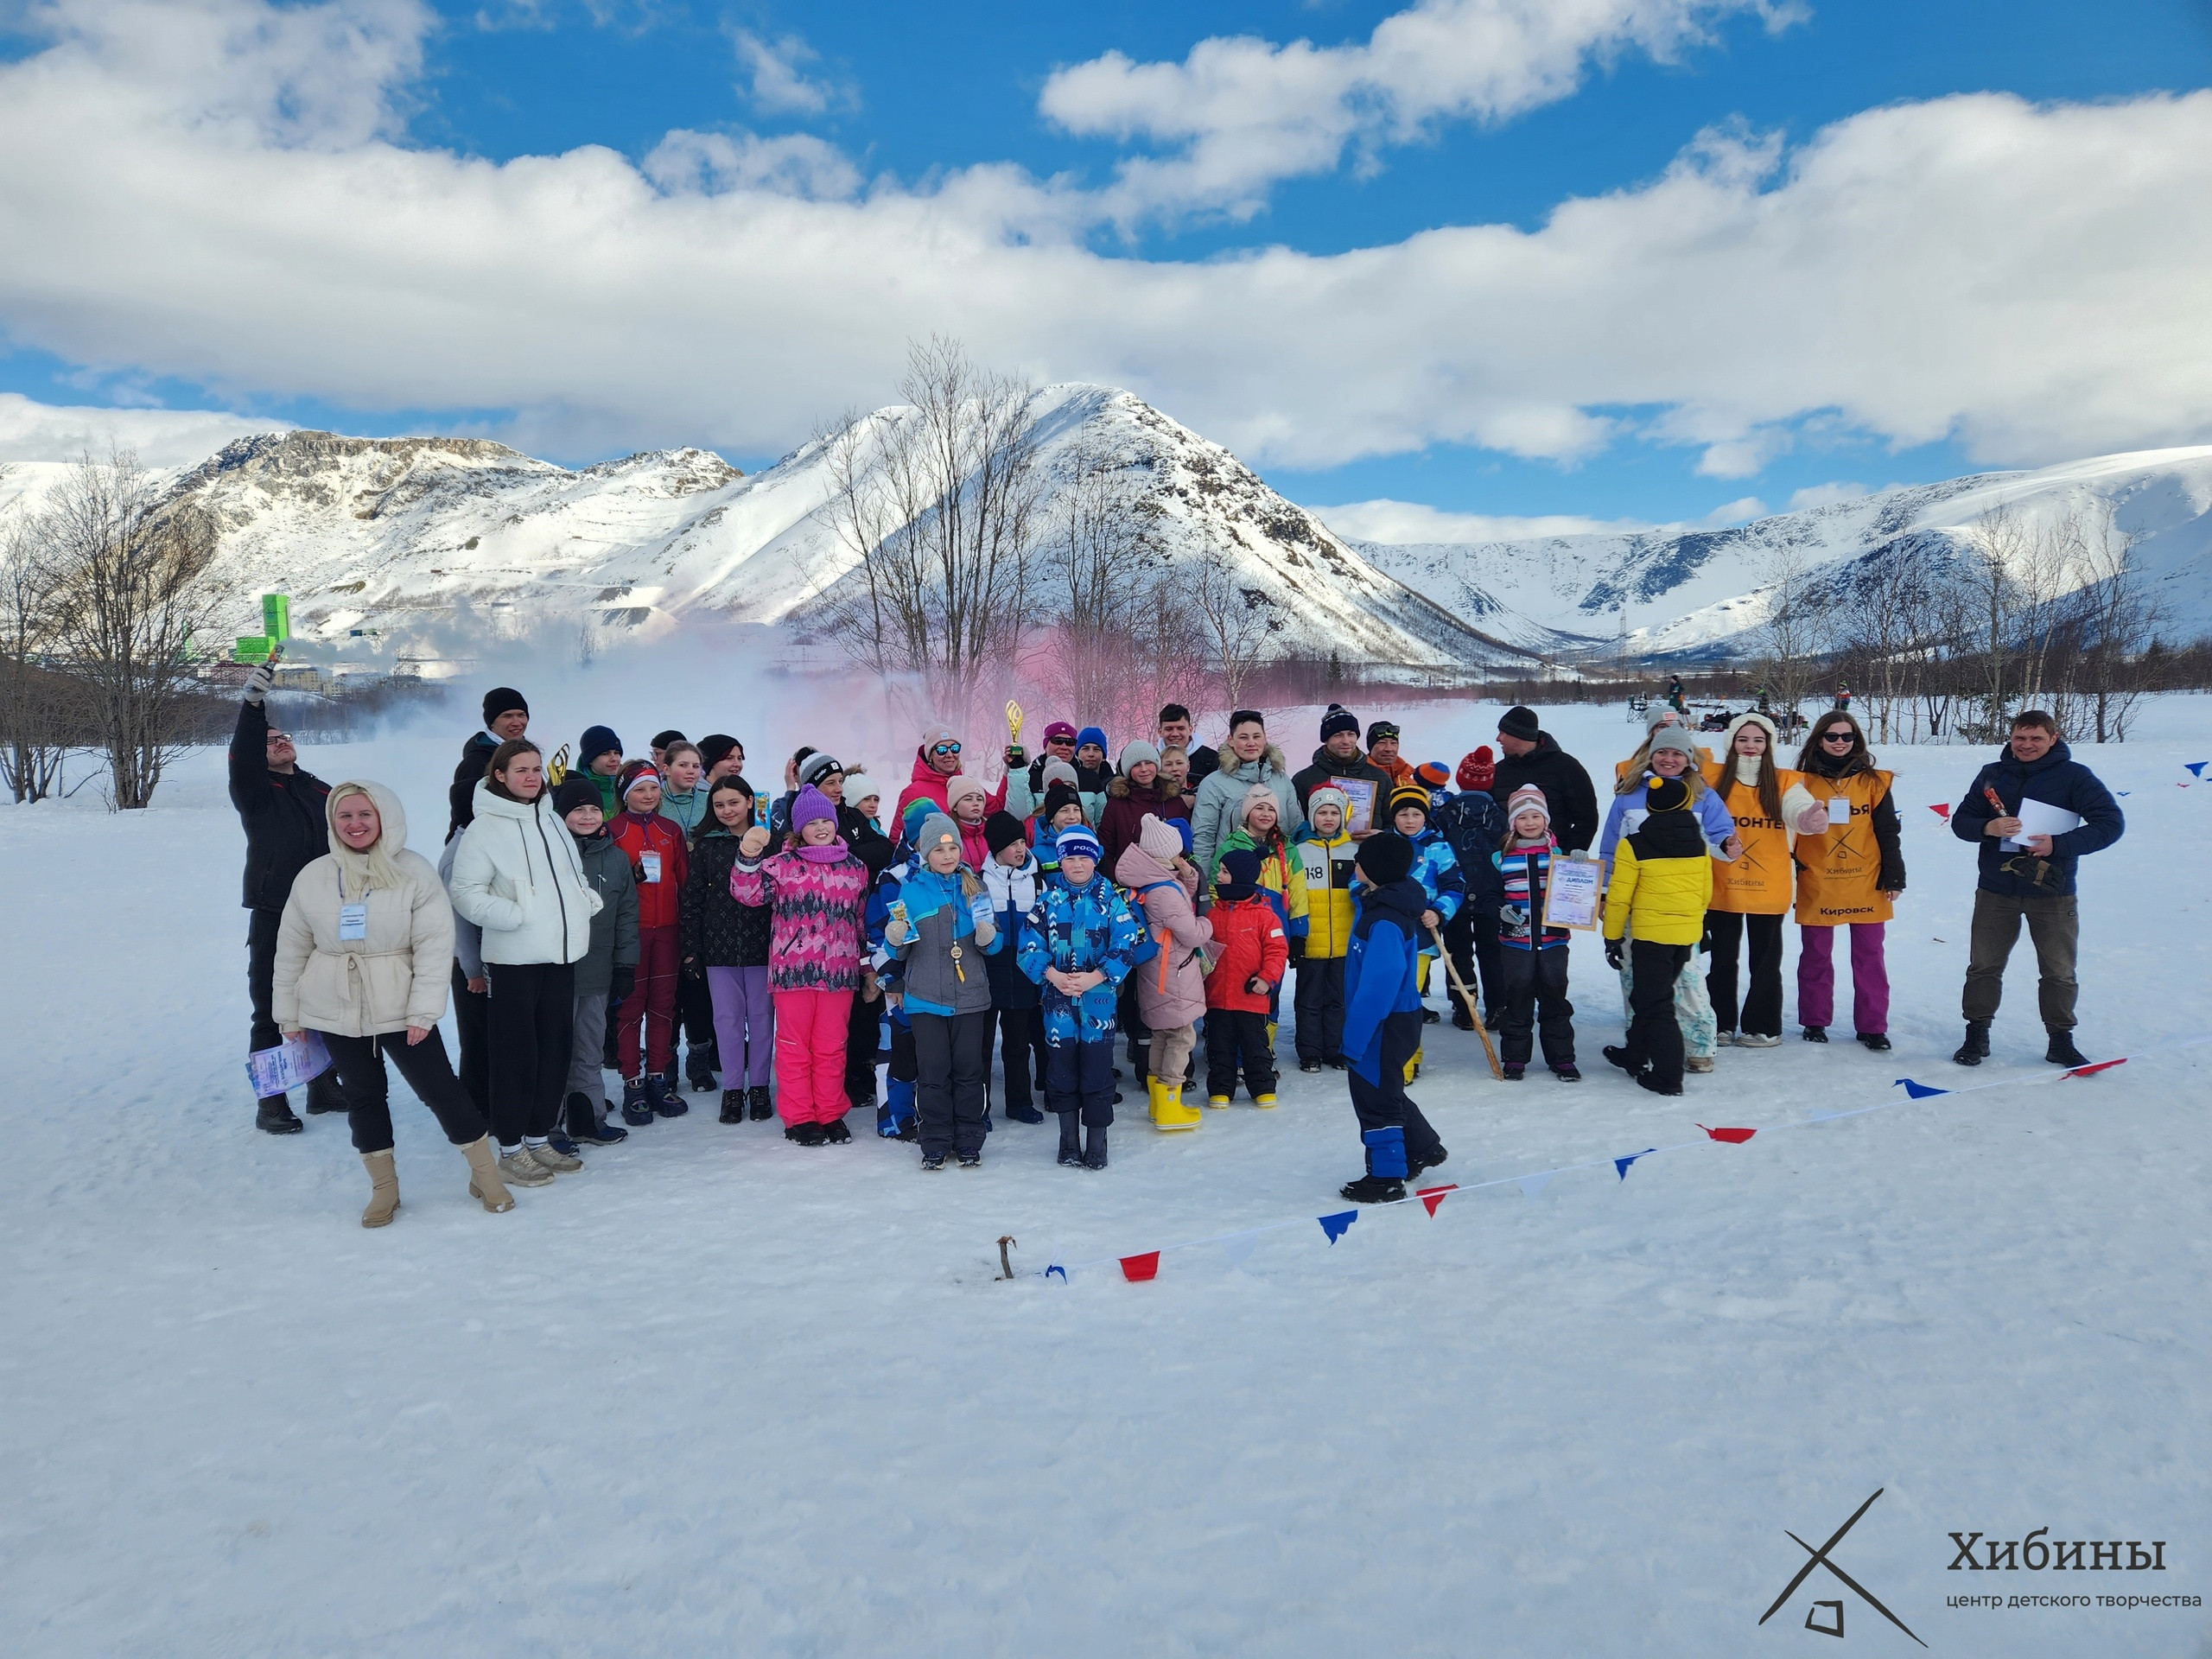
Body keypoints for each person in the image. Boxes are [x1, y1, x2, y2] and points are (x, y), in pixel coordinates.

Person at [270, 780, 514, 1224]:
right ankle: (384, 1189)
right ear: (332, 822)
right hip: (335, 1005)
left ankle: (485, 1174)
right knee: (364, 1096)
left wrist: (423, 1010)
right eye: (344, 816)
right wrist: (288, 1014)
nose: (355, 824)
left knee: (441, 1091)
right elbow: (291, 948)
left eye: (365, 814)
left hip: (400, 1004)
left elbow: (434, 945)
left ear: (385, 817)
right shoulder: (314, 875)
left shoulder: (413, 871)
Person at [448, 739, 603, 1189]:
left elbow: (571, 875)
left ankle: (538, 1138)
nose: (532, 777)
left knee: (556, 1048)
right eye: (521, 770)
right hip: (516, 960)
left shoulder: (552, 820)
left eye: (537, 769)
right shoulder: (484, 829)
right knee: (518, 1054)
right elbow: (465, 893)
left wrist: (583, 901)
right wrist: (514, 916)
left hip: (561, 954)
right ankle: (512, 1148)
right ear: (500, 775)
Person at [1948, 710, 2124, 1067]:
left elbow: (2110, 823)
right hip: (1996, 888)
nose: (2026, 745)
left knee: (2059, 970)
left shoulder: (2075, 777)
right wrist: (1988, 828)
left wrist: (2057, 845)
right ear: (2010, 738)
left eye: (2036, 739)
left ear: (2053, 739)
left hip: (2052, 892)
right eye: (2019, 738)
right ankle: (1976, 1034)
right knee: (1983, 966)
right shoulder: (1992, 775)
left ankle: (2060, 1039)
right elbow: (1961, 822)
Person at [728, 785, 872, 1144]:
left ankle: (830, 1113)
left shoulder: (856, 868)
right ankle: (799, 1117)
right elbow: (747, 894)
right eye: (812, 822)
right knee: (795, 1047)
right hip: (794, 973)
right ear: (798, 828)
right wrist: (748, 854)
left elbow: (859, 923)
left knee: (832, 1047)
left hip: (840, 973)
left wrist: (867, 969)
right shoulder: (781, 865)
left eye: (826, 819)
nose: (821, 827)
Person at [229, 660, 337, 1133]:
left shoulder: (319, 790)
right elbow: (245, 753)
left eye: (284, 737)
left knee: (326, 1000)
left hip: (324, 913)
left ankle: (324, 1087)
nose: (281, 742)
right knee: (273, 1007)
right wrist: (254, 709)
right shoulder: (256, 790)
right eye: (270, 741)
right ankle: (271, 1101)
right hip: (276, 913)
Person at [1599, 727, 1737, 1076]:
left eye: (1677, 754)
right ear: (1650, 754)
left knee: (1687, 980)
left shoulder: (1703, 796)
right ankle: (1640, 1047)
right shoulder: (1628, 795)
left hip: (1679, 909)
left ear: (1689, 759)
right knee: (1636, 980)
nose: (1669, 759)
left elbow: (1720, 839)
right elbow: (1612, 848)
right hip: (1636, 906)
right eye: (1663, 753)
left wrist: (1729, 846)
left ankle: (1699, 1045)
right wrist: (1606, 892)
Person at [1016, 825, 1144, 1171]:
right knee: (1061, 1072)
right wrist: (1052, 974)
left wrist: (1096, 977)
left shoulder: (1111, 900)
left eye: (1083, 857)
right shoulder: (1047, 903)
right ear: (1060, 862)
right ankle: (1068, 1140)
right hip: (1057, 1006)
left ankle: (1097, 1142)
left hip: (1097, 1004)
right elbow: (1027, 948)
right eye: (1069, 857)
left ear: (1095, 859)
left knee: (1097, 1073)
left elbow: (1127, 942)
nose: (1077, 864)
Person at [884, 813, 1001, 1168]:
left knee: (969, 1072)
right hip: (925, 999)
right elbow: (900, 950)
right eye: (938, 849)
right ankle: (934, 1139)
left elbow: (992, 947)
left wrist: (989, 937)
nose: (947, 855)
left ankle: (968, 1138)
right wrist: (894, 939)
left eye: (952, 847)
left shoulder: (975, 886)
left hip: (970, 999)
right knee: (933, 1072)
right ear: (925, 853)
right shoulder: (911, 890)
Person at [1337, 831, 1448, 1205]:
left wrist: (1354, 1037)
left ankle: (1385, 1177)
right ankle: (1422, 1147)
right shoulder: (1386, 902)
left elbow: (1379, 986)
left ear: (1376, 869)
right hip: (1393, 1018)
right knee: (1386, 1086)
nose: (1355, 866)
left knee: (1374, 1097)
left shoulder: (1383, 919)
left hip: (1382, 1022)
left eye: (1360, 861)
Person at [1700, 714, 1822, 1048]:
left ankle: (1763, 1025)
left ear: (1768, 745)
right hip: (1722, 882)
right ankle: (1719, 1022)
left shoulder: (1783, 782)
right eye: (1743, 740)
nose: (1751, 747)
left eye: (1758, 740)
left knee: (1766, 960)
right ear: (1731, 743)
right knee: (1722, 959)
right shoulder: (1713, 780)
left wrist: (1809, 817)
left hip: (1769, 884)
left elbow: (1797, 807)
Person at [1791, 712, 1905, 1049]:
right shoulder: (1799, 782)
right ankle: (1814, 1020)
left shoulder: (1874, 781)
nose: (1840, 742)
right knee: (1815, 954)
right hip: (1818, 878)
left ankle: (1872, 1026)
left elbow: (1887, 830)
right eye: (1832, 736)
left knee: (1870, 955)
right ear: (1818, 740)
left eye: (1847, 736)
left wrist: (1894, 875)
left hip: (1866, 879)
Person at [1600, 777, 1713, 1096]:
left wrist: (1611, 938)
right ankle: (1634, 1055)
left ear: (1650, 807)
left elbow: (1620, 898)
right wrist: (1699, 927)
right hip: (1684, 936)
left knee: (1657, 1005)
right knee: (1646, 997)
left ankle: (1667, 1076)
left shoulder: (1633, 845)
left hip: (1652, 937)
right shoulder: (1698, 844)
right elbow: (1705, 892)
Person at [681, 776, 776, 1125]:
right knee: (727, 1021)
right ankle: (733, 1090)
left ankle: (761, 1087)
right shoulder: (708, 846)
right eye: (719, 805)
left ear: (750, 802)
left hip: (763, 946)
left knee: (763, 1021)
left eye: (733, 803)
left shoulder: (772, 842)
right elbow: (692, 899)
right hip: (719, 949)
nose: (726, 811)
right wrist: (691, 948)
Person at [551, 776, 637, 1146]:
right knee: (553, 1052)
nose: (588, 817)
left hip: (596, 972)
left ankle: (588, 1120)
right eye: (577, 810)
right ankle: (546, 1128)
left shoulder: (616, 858)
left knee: (588, 1050)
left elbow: (626, 916)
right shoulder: (550, 855)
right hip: (552, 973)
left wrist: (624, 966)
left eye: (593, 809)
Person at [605, 760, 689, 1122]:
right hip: (630, 932)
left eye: (654, 788)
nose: (649, 795)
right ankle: (632, 1082)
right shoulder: (612, 831)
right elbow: (605, 886)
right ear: (625, 795)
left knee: (663, 1006)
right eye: (639, 789)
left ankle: (658, 1076)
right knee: (630, 1007)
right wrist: (633, 879)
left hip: (668, 930)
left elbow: (683, 882)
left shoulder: (670, 829)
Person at [1116, 813, 1211, 1131]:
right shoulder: (1165, 893)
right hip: (1175, 974)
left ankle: (1158, 1103)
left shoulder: (1153, 882)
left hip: (1157, 972)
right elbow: (1192, 933)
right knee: (1182, 1037)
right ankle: (1171, 1102)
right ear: (1167, 853)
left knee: (1161, 1035)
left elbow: (1176, 896)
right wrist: (1208, 924)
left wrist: (1187, 876)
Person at [1491, 786, 1579, 1082]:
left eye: (1536, 816)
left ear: (1546, 820)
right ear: (1513, 822)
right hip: (1516, 940)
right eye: (1523, 817)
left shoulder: (1557, 854)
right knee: (1518, 997)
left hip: (1553, 939)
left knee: (1555, 997)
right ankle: (1515, 1059)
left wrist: (1579, 866)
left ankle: (1562, 1058)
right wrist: (1500, 909)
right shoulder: (1500, 857)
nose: (1530, 822)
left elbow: (1576, 890)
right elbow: (1491, 895)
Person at [1203, 849, 1288, 1109]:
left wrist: (1267, 979)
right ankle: (1220, 1088)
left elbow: (1277, 950)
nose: (1218, 875)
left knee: (1255, 1046)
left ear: (1240, 877)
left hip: (1251, 996)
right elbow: (1204, 950)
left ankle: (1262, 1086)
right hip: (1217, 996)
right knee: (1219, 1046)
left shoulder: (1264, 915)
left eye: (1225, 872)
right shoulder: (1213, 915)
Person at [980, 810, 1049, 1124]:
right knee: (979, 1047)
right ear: (996, 848)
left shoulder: (1037, 881)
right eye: (1012, 844)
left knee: (1018, 1044)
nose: (1020, 849)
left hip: (1023, 972)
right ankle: (977, 1108)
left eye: (1022, 841)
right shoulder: (978, 881)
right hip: (987, 971)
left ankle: (1019, 1102)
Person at [1433, 750, 1508, 1028]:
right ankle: (1499, 1005)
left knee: (1457, 951)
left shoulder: (1445, 813)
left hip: (1455, 894)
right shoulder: (1502, 816)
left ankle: (1465, 1006)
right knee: (1493, 951)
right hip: (1493, 896)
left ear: (1461, 779)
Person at [1191, 709, 1300, 880]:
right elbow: (1203, 839)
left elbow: (1295, 830)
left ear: (1264, 738)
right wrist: (1205, 886)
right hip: (1231, 881)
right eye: (1243, 737)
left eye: (1256, 737)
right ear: (1231, 740)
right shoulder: (1213, 784)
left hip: (1277, 879)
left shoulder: (1282, 780)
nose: (1251, 743)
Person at [1293, 786, 1358, 1071]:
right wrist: (1296, 935)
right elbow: (1294, 897)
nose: (1328, 818)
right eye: (1322, 812)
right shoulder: (1299, 851)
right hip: (1311, 941)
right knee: (1308, 1000)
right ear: (1312, 816)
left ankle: (1335, 1049)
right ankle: (1309, 1052)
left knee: (1338, 999)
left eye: (1334, 812)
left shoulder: (1355, 850)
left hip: (1344, 942)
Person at [1488, 706, 1599, 858]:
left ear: (1518, 735)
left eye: (1503, 733)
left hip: (1554, 865)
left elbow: (1587, 819)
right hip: (1509, 867)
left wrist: (1565, 856)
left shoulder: (1566, 767)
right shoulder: (1498, 771)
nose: (1498, 739)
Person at [1099, 740, 1189, 876]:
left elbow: (1187, 845)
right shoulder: (1116, 805)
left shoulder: (1174, 802)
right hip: (1130, 882)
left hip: (1172, 881)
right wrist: (1116, 880)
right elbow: (1106, 849)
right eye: (1136, 765)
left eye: (1148, 762)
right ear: (1128, 771)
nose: (1144, 769)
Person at [448, 687, 529, 839]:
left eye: (521, 715)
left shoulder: (526, 754)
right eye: (507, 716)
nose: (517, 722)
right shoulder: (477, 762)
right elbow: (466, 813)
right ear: (492, 723)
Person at [1291, 703, 1391, 826]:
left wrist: (1380, 834)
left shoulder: (1380, 777)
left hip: (1370, 844)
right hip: (1322, 845)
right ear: (1326, 740)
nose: (1346, 741)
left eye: (1351, 734)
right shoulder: (1304, 779)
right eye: (1338, 735)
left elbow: (1392, 824)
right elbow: (1296, 826)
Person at [894, 723, 1007, 829]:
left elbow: (997, 810)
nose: (949, 755)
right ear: (930, 756)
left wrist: (1011, 771)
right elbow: (898, 839)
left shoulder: (966, 785)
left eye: (954, 748)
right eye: (942, 750)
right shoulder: (914, 793)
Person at [1614, 704, 1715, 783]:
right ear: (1652, 732)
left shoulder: (1705, 763)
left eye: (1676, 725)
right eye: (1663, 726)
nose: (1671, 731)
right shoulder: (1630, 769)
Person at [1156, 703, 1217, 787]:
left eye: (1181, 728)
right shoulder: (1152, 760)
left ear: (1190, 729)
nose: (1175, 734)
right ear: (1160, 731)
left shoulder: (1211, 759)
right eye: (1169, 729)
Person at [658, 742, 709, 835]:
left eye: (696, 766)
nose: (691, 771)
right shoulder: (654, 801)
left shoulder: (709, 801)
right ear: (666, 769)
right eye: (683, 765)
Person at [577, 725, 625, 816]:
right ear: (590, 760)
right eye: (605, 754)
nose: (614, 758)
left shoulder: (631, 784)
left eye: (617, 753)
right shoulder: (574, 789)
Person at [1365, 720, 1413, 791]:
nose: (1389, 749)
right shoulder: (1359, 779)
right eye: (1382, 743)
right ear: (1371, 747)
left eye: (1393, 743)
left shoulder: (1407, 781)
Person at [1160, 746, 1197, 812]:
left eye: (1179, 763)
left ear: (1188, 766)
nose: (1174, 769)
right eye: (1168, 764)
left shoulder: (1202, 791)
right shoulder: (1157, 795)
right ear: (1161, 769)